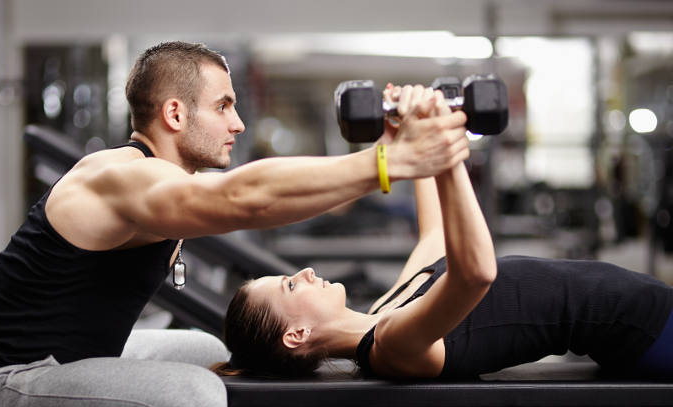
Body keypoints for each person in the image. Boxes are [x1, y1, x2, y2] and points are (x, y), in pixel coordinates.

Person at [0, 41, 471, 407]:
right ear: (174, 112)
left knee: (204, 347)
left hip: (62, 363)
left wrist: (399, 151)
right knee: (199, 397)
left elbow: (286, 195)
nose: (237, 124)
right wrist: (387, 161)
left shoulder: (158, 178)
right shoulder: (117, 176)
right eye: (223, 106)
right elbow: (243, 197)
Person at [216, 84, 673, 381]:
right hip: (643, 328)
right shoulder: (391, 346)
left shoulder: (384, 310)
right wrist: (442, 146)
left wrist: (402, 145)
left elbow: (433, 237)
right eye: (290, 284)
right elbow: (475, 274)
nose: (307, 270)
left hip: (640, 306)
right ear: (295, 335)